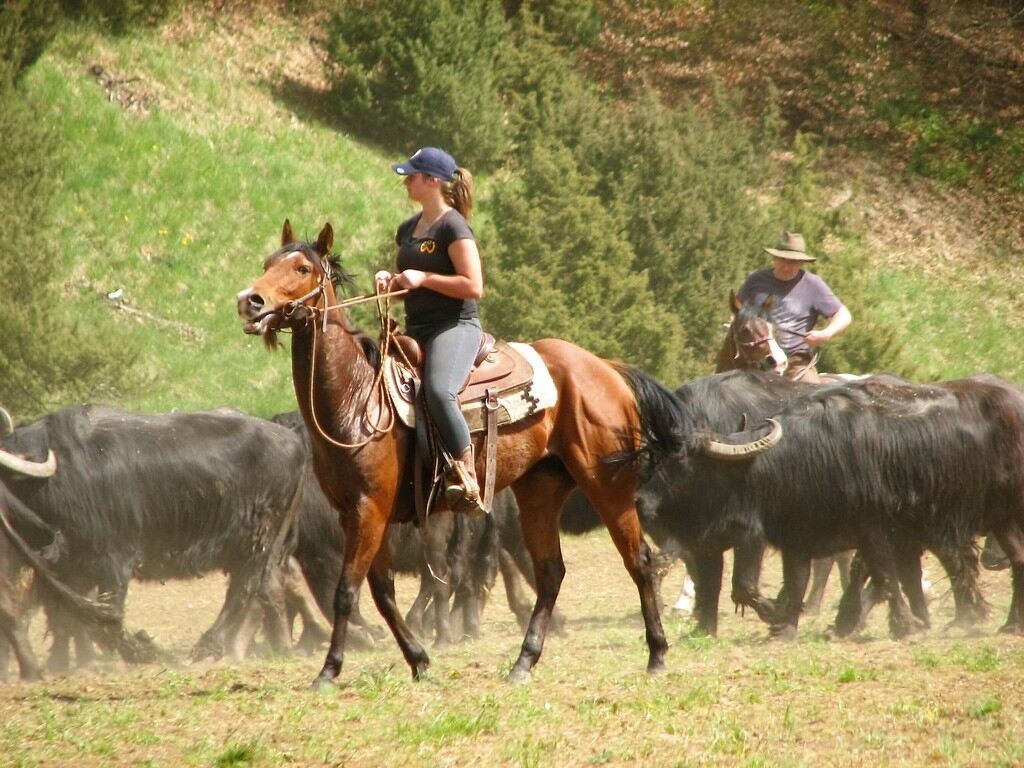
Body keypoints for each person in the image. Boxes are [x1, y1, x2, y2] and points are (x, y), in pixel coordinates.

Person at [375, 147, 486, 516]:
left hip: (454, 326)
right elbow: (409, 283)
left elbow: (473, 286)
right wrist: (391, 282)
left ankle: (466, 470)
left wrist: (424, 277)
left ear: (433, 181)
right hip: (415, 327)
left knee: (439, 391)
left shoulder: (453, 226)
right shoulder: (407, 229)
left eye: (413, 175)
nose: (406, 180)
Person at [736, 231, 852, 382]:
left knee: (810, 397)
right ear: (774, 258)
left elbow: (843, 315)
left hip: (795, 362)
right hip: (757, 359)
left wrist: (826, 333)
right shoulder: (755, 281)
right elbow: (738, 310)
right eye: (782, 259)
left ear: (801, 262)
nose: (786, 266)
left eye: (792, 261)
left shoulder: (813, 285)